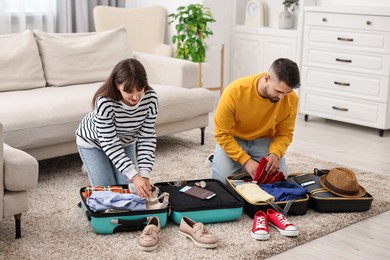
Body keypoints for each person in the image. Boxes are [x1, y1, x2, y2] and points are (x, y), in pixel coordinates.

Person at [76, 58, 158, 198]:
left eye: (140, 89)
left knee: (129, 192)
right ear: (117, 85)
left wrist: (144, 175)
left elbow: (147, 138)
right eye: (128, 91)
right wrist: (134, 175)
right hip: (93, 143)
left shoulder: (150, 99)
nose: (135, 96)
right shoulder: (105, 102)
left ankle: (101, 166)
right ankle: (93, 165)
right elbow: (110, 144)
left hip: (125, 141)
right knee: (110, 195)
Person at [211, 58, 300, 184]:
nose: (282, 97)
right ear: (267, 78)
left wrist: (275, 154)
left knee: (279, 181)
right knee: (221, 183)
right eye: (278, 91)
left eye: (287, 93)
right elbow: (221, 134)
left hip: (263, 140)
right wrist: (246, 161)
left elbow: (284, 134)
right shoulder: (234, 92)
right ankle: (218, 157)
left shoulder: (290, 99)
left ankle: (234, 163)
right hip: (234, 139)